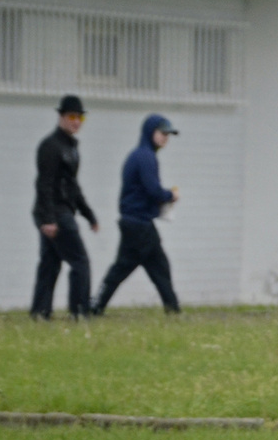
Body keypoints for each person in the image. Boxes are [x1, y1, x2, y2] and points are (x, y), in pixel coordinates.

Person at [92, 115, 181, 314]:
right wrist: (171, 195)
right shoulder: (146, 157)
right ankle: (94, 306)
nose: (166, 137)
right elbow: (153, 190)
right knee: (136, 269)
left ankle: (95, 306)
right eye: (162, 133)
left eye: (168, 134)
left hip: (134, 223)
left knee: (155, 269)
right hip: (139, 225)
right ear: (150, 133)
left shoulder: (139, 155)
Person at [30, 94, 99, 319]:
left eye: (80, 118)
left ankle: (40, 313)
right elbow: (44, 184)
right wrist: (48, 219)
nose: (76, 121)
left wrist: (89, 214)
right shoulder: (51, 147)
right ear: (61, 117)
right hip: (56, 213)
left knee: (50, 264)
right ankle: (79, 312)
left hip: (59, 211)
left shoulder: (71, 147)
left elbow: (72, 185)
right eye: (71, 116)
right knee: (80, 262)